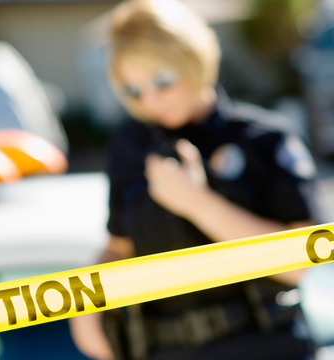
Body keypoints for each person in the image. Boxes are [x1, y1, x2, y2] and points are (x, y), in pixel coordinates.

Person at [69, 0, 318, 359]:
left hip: (262, 344)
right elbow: (120, 247)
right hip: (165, 348)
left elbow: (304, 265)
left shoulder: (263, 138)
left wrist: (201, 206)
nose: (151, 100)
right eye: (134, 90)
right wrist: (87, 302)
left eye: (162, 81)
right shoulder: (130, 145)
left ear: (192, 60)